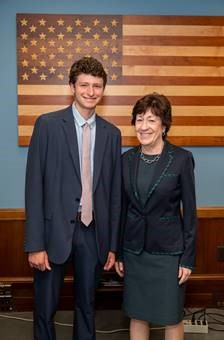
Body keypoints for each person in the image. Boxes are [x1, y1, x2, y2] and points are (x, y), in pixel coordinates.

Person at [24, 56, 122, 340]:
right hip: (52, 232)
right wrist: (35, 244)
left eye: (97, 86)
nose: (91, 92)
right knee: (45, 308)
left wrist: (113, 245)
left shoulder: (112, 134)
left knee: (87, 307)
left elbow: (114, 195)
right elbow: (34, 187)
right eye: (84, 85)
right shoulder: (47, 125)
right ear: (72, 86)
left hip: (93, 234)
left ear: (103, 90)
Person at [115, 93, 197, 340]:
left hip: (168, 253)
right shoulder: (126, 160)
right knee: (138, 314)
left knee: (171, 316)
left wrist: (188, 259)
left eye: (151, 120)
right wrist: (119, 252)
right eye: (139, 119)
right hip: (134, 252)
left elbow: (190, 213)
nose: (144, 126)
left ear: (164, 124)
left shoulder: (181, 159)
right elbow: (122, 210)